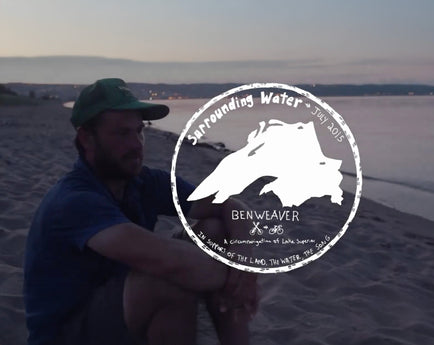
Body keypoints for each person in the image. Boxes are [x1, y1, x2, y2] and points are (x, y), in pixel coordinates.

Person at [23, 78, 258, 345]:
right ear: (87, 139)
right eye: (122, 133)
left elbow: (232, 205)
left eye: (139, 131)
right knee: (166, 280)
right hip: (69, 333)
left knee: (217, 229)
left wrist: (244, 258)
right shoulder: (74, 201)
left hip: (119, 312)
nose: (137, 144)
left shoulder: (143, 182)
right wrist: (238, 278)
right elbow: (167, 261)